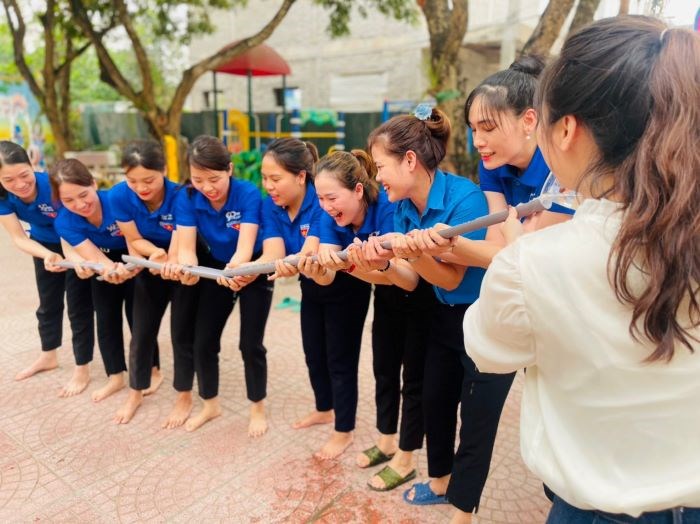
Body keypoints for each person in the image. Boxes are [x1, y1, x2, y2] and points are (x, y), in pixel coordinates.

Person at [464, 16, 700, 523]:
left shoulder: (534, 265)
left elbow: (485, 348)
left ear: (564, 129)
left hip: (601, 510)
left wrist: (511, 253)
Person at [419, 56, 562, 521]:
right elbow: (505, 245)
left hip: (562, 302)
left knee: (559, 415)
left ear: (529, 121)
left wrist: (447, 246)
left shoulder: (560, 165)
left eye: (487, 127)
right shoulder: (494, 166)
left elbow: (521, 255)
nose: (477, 140)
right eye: (472, 128)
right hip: (522, 301)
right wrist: (454, 247)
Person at [366, 107, 489, 506]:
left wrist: (411, 253)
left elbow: (452, 278)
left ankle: (463, 503)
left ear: (410, 160)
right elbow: (410, 278)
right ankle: (440, 480)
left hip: (478, 318)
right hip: (440, 314)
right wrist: (375, 261)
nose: (377, 177)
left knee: (473, 417)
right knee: (435, 400)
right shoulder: (402, 207)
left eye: (380, 166)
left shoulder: (465, 198)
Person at [312, 149, 434, 483]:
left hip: (417, 293)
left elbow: (400, 273)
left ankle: (407, 458)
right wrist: (317, 267)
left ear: (358, 190)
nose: (325, 206)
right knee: (383, 370)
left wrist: (350, 265)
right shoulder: (330, 215)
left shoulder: (388, 210)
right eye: (320, 198)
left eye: (332, 197)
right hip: (385, 297)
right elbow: (326, 268)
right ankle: (386, 441)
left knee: (413, 380)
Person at [172, 135, 272, 435]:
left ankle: (257, 407)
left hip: (252, 267)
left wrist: (240, 269)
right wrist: (188, 268)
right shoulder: (188, 197)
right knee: (203, 341)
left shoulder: (247, 194)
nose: (207, 187)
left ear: (229, 169)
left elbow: (245, 246)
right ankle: (210, 403)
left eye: (214, 178)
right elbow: (187, 247)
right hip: (217, 269)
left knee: (250, 344)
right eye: (199, 179)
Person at [0, 141, 94, 395]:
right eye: (9, 180)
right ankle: (48, 355)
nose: (19, 184)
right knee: (48, 304)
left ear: (33, 167)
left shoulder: (52, 186)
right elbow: (19, 238)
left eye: (24, 175)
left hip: (76, 241)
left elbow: (70, 225)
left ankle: (82, 368)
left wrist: (71, 258)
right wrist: (48, 256)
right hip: (44, 245)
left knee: (78, 308)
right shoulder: (3, 197)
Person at [111, 140, 185, 425]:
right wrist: (154, 254)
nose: (142, 187)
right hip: (149, 263)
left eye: (149, 180)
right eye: (132, 181)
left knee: (182, 336)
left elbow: (183, 235)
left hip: (181, 265)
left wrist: (172, 260)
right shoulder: (119, 196)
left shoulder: (181, 195)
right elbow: (132, 238)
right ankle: (135, 392)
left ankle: (183, 395)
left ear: (164, 170)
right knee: (141, 332)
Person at [51, 158, 135, 402]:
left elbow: (135, 240)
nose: (79, 204)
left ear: (94, 183)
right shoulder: (65, 221)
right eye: (68, 200)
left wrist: (130, 267)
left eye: (83, 194)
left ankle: (152, 370)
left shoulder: (116, 201)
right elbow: (95, 257)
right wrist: (109, 271)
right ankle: (115, 376)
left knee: (138, 318)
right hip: (102, 261)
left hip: (134, 255)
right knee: (106, 319)